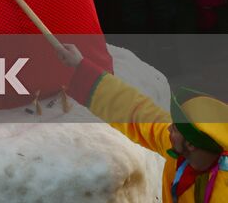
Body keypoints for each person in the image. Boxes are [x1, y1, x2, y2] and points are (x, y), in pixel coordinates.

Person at [60, 49, 228, 203]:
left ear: (191, 144)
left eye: (175, 129)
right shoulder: (180, 151)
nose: (168, 128)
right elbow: (135, 111)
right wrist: (81, 67)